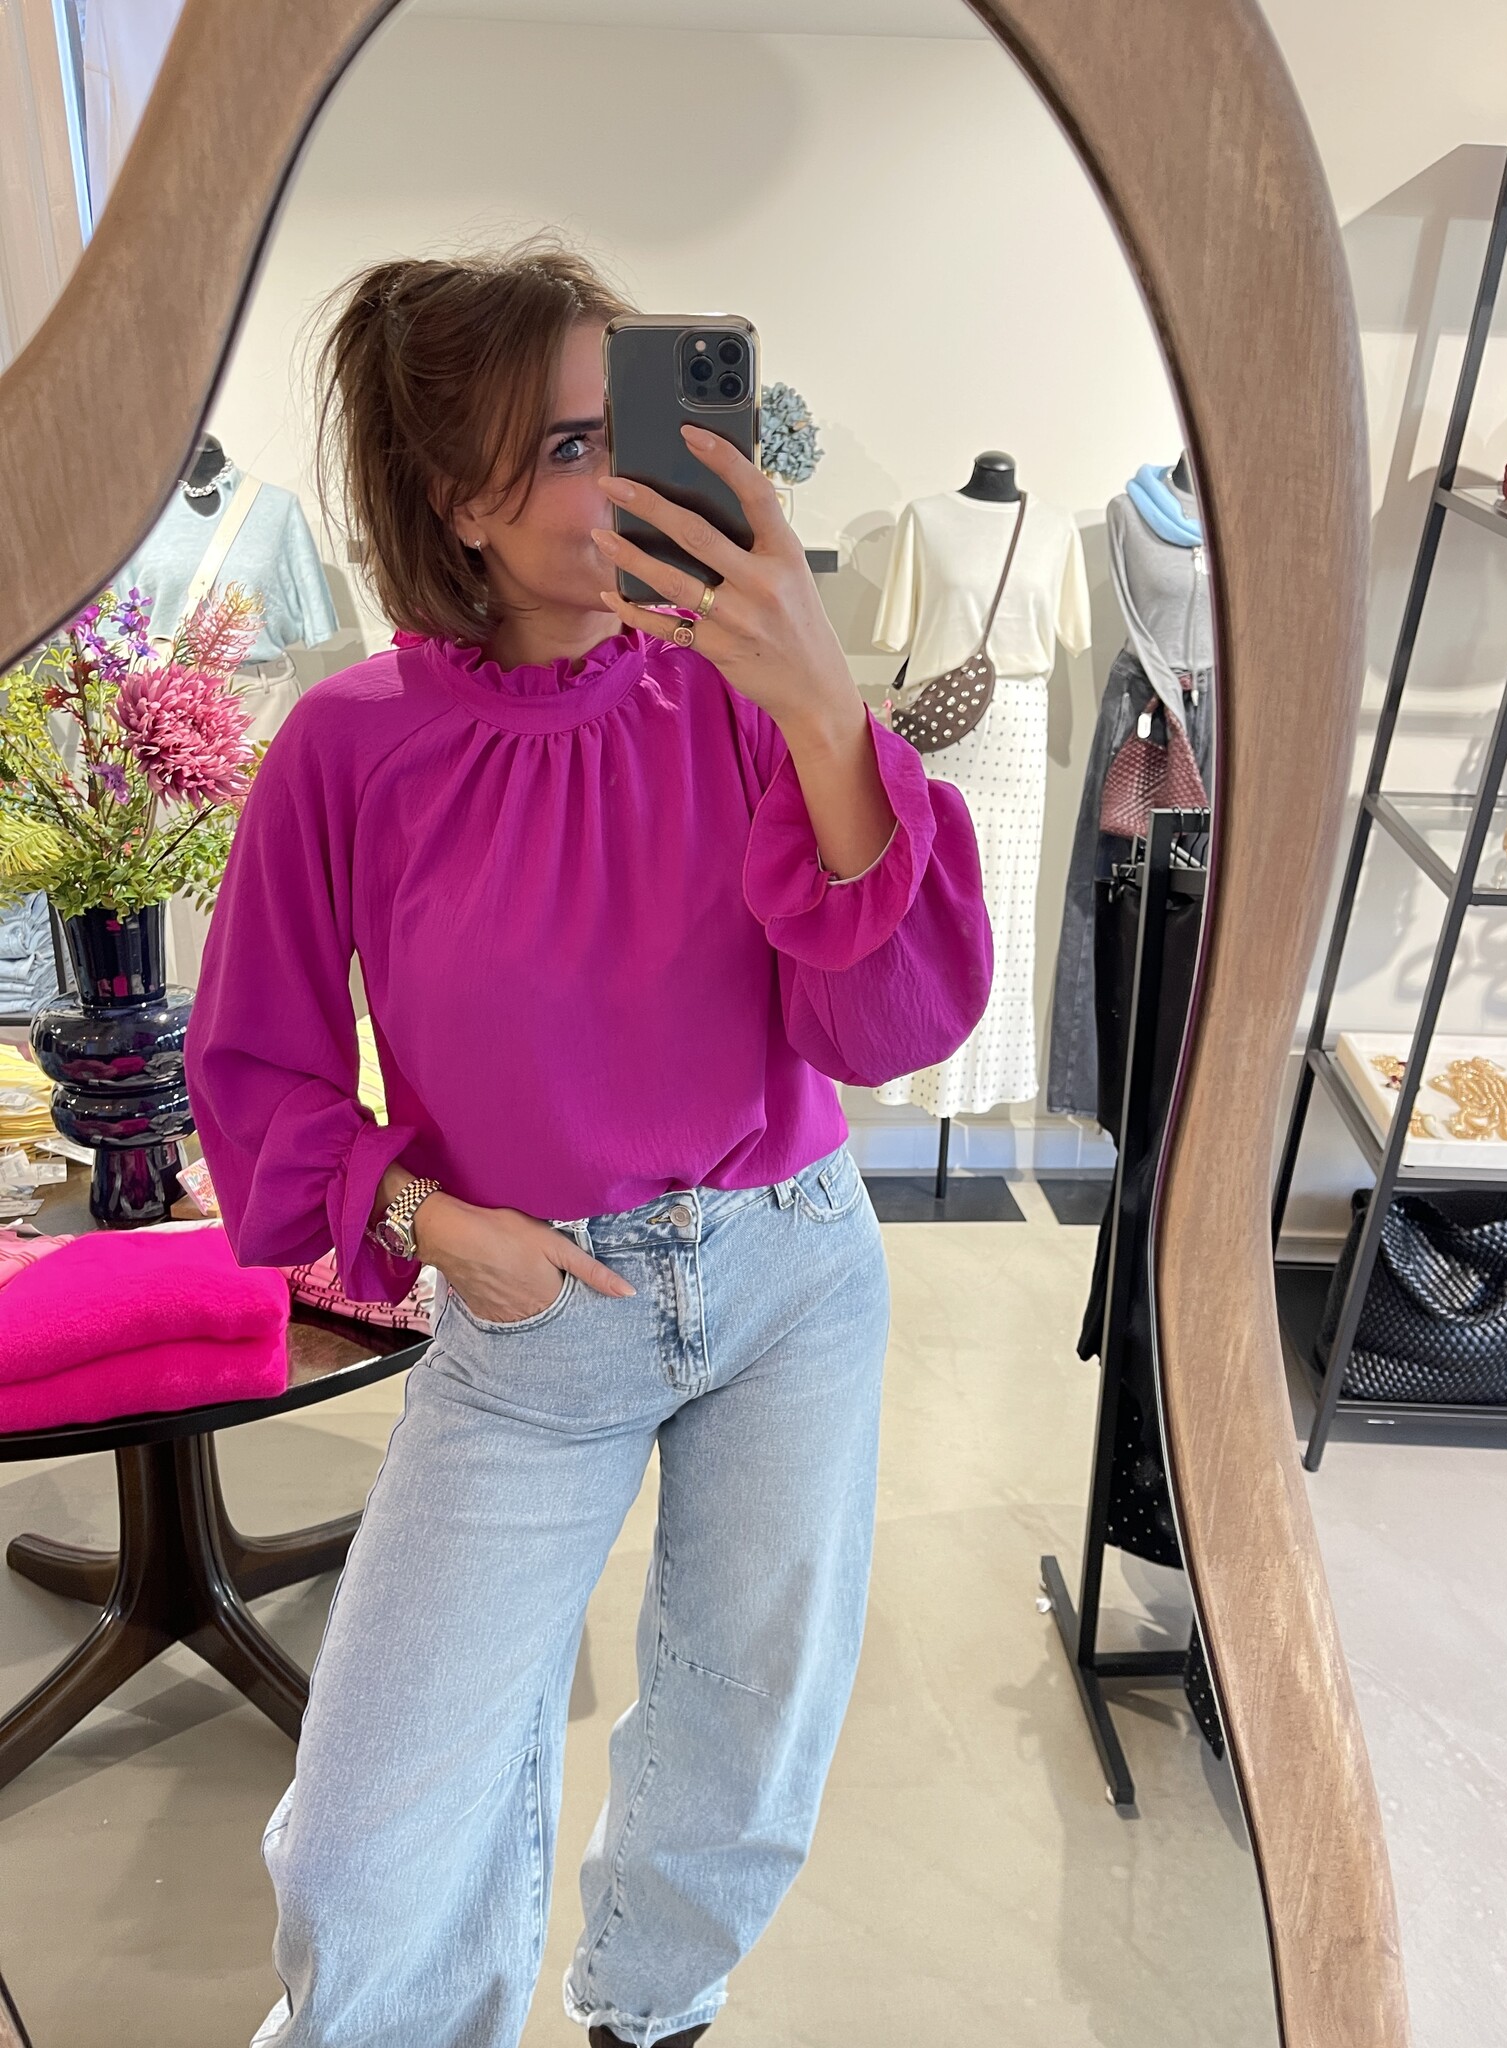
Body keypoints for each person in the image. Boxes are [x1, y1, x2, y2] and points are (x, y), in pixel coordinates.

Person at [183, 233, 993, 2048]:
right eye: (570, 446)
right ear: (456, 500)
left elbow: (890, 1026)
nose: (626, 478)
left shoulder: (736, 697)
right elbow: (256, 1069)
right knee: (366, 1852)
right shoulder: (348, 751)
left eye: (630, 429)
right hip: (534, 1318)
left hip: (790, 1274)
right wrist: (424, 1218)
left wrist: (821, 705)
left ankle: (653, 2019)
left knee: (741, 1752)